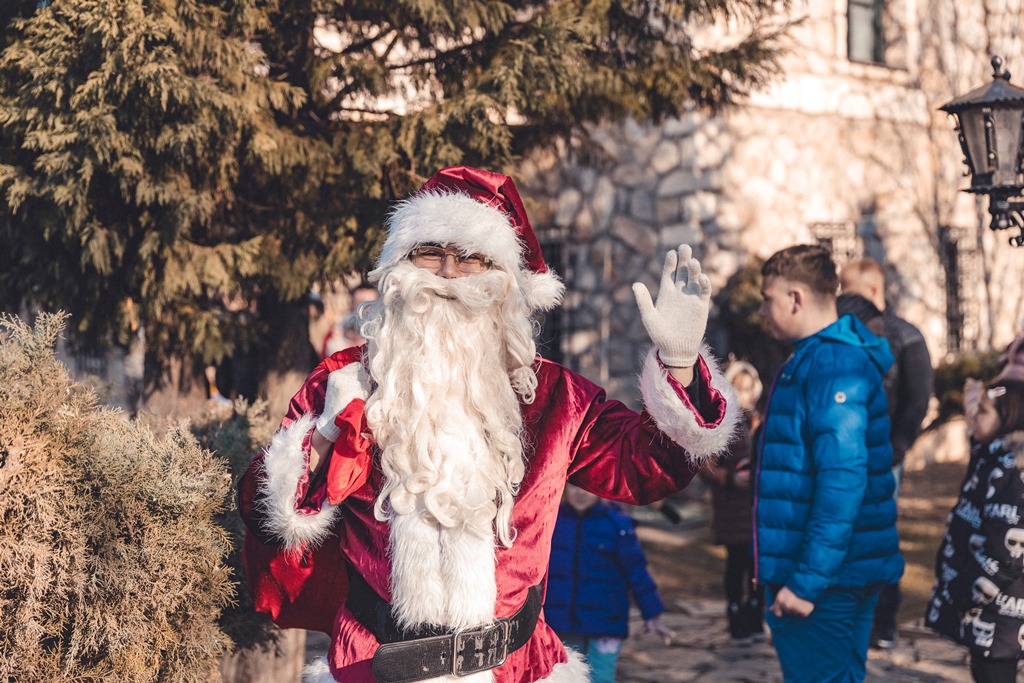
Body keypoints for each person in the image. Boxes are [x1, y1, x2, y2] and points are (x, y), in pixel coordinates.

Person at [237, 166, 740, 683]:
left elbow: (648, 467)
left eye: (473, 258)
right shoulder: (344, 382)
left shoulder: (554, 398)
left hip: (517, 668)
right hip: (375, 664)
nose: (450, 274)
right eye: (430, 253)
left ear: (503, 283)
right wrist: (325, 433)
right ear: (399, 266)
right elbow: (262, 507)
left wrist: (679, 363)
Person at [755, 244, 904, 683]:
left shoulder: (832, 364)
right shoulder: (817, 357)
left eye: (768, 298)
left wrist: (806, 583)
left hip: (827, 581)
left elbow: (843, 483)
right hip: (838, 571)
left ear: (796, 298)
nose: (763, 310)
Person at [840, 257, 934, 649]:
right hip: (842, 457)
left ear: (875, 292)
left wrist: (895, 451)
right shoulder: (842, 333)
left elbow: (916, 399)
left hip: (883, 459)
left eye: (852, 291)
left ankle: (884, 620)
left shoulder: (904, 336)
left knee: (880, 537)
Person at [925, 342, 1024, 683]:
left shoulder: (1014, 469)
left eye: (981, 412)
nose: (972, 419)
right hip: (990, 614)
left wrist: (966, 590)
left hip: (1001, 613)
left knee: (994, 674)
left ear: (1009, 416)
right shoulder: (993, 455)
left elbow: (1008, 550)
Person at [544, 484, 674, 682]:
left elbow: (637, 571)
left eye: (587, 486)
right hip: (562, 622)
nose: (580, 492)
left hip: (606, 623)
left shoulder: (617, 525)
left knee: (601, 676)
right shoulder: (551, 521)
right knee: (565, 676)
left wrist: (652, 612)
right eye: (574, 486)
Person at [698, 359, 765, 643]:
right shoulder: (723, 423)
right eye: (739, 389)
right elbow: (705, 464)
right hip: (733, 508)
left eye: (750, 389)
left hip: (758, 508)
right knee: (737, 563)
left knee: (758, 565)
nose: (745, 395)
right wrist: (729, 478)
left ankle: (757, 617)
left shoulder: (761, 422)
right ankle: (737, 617)